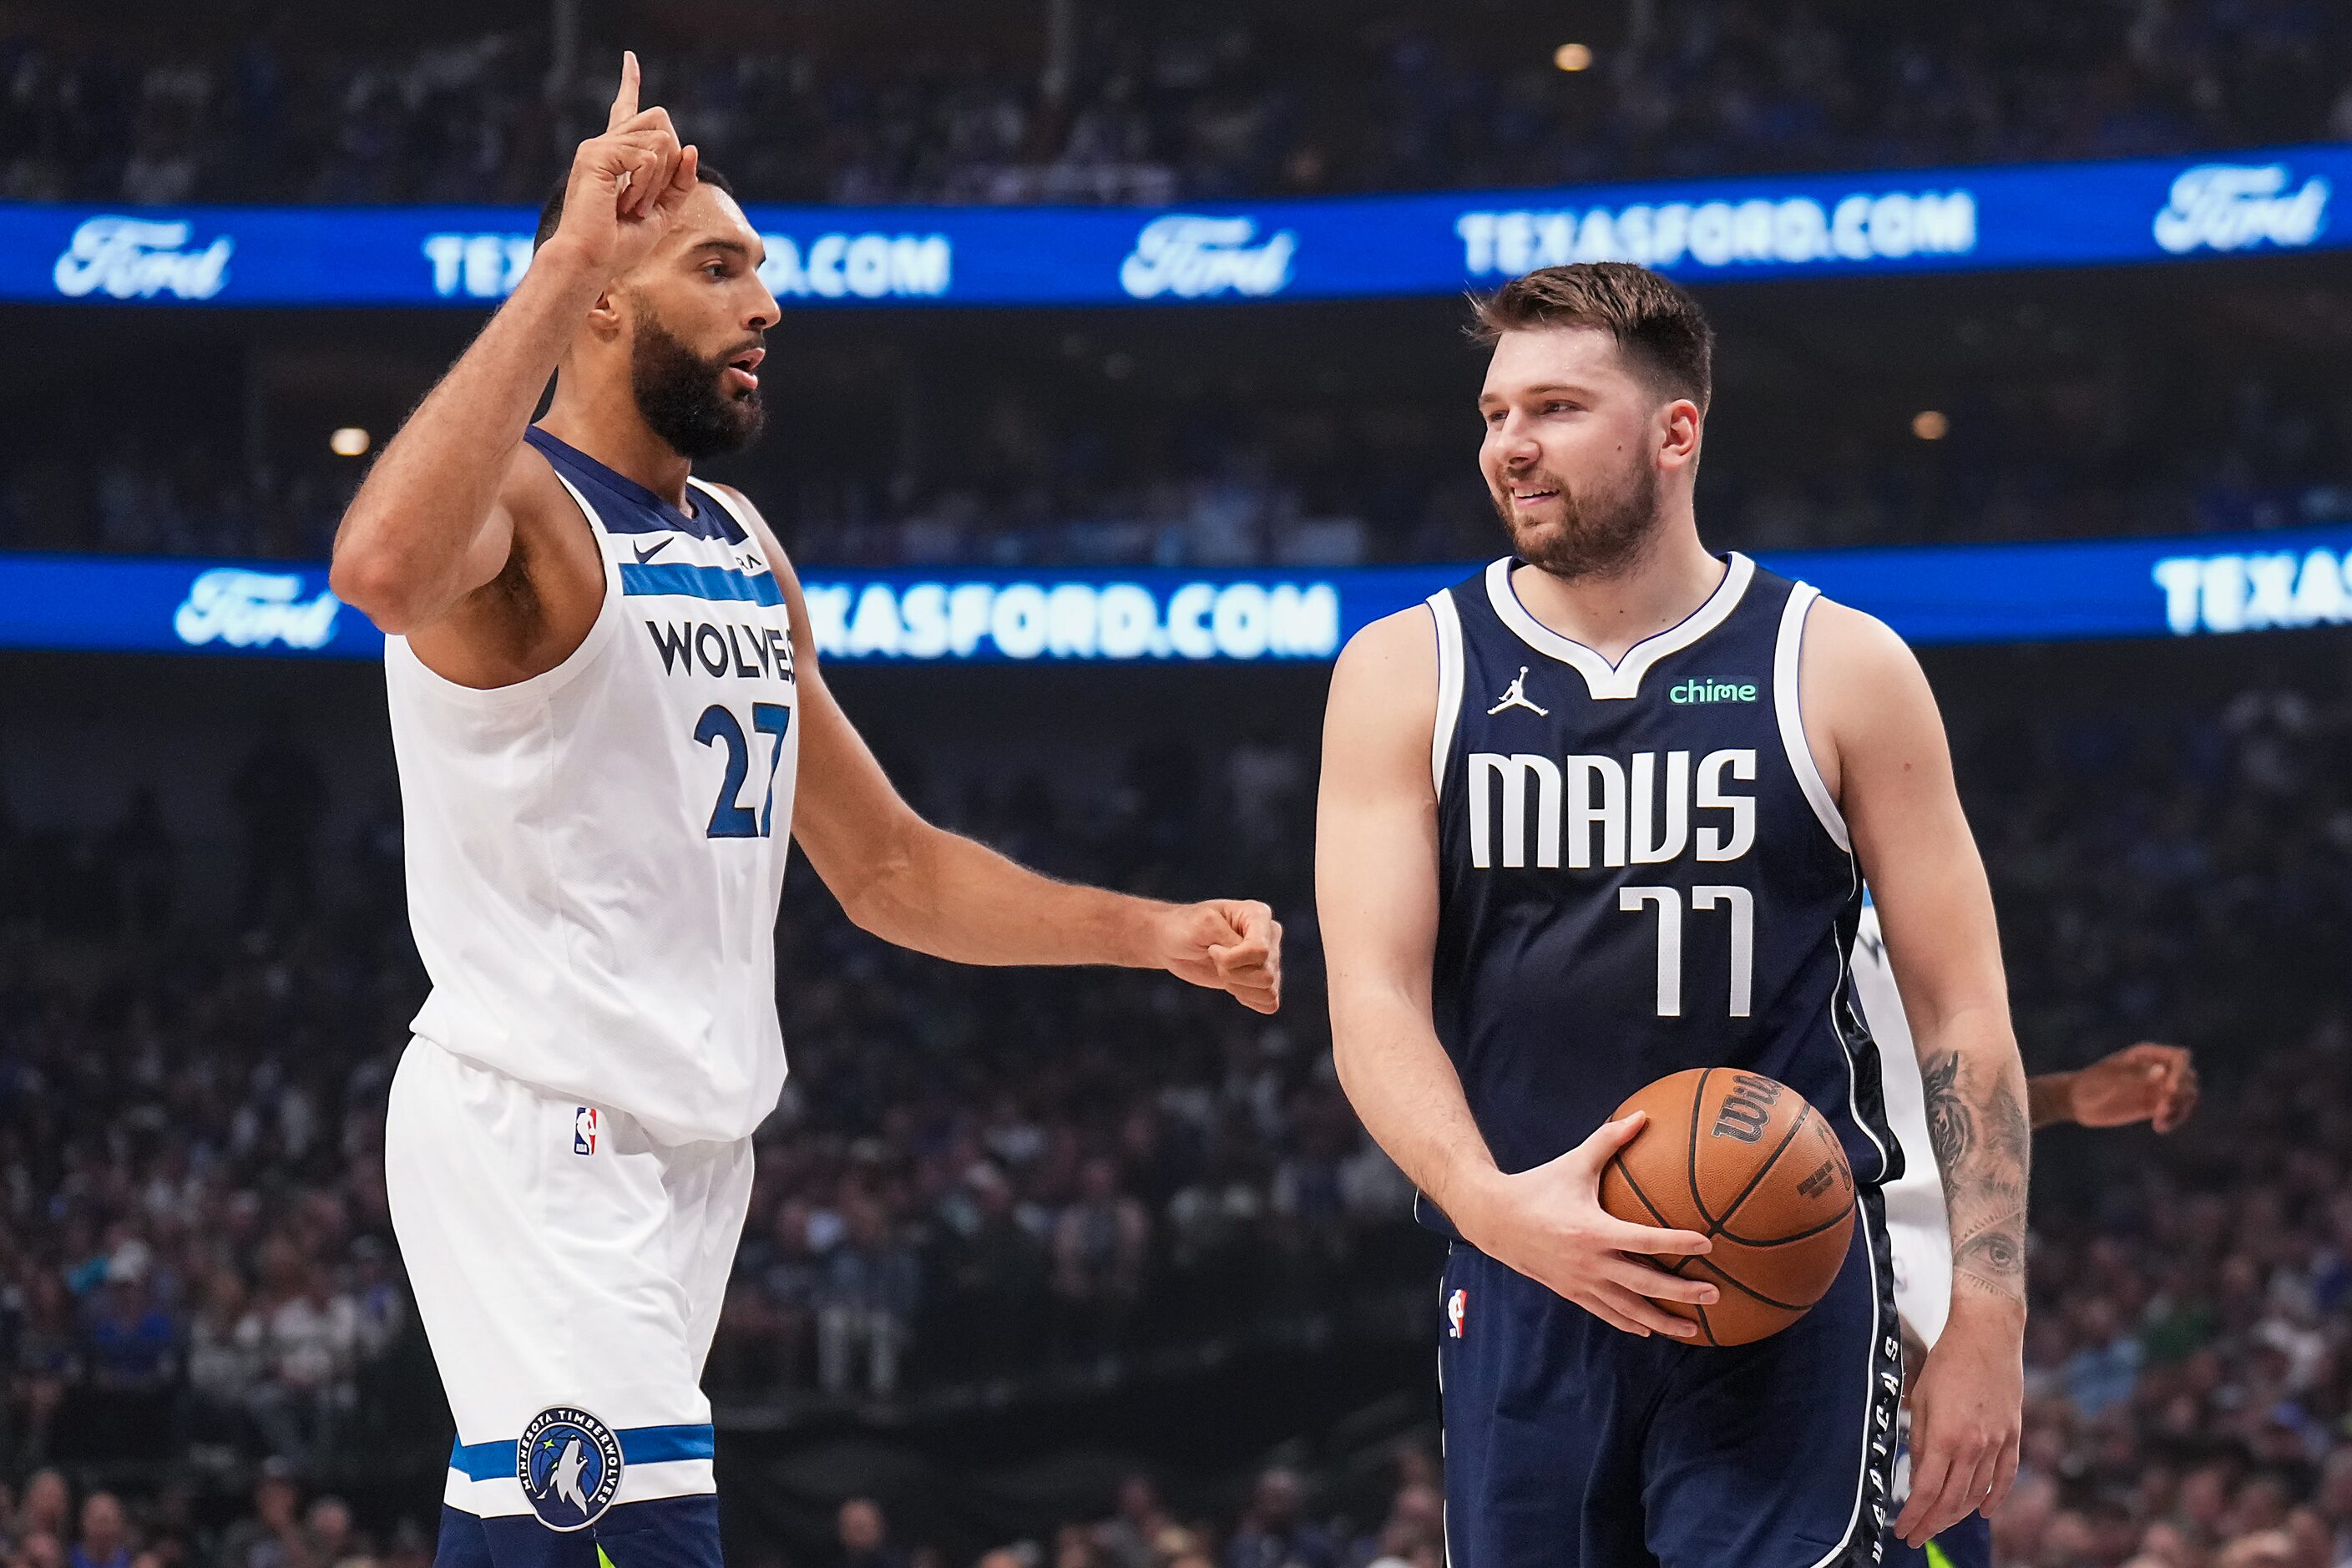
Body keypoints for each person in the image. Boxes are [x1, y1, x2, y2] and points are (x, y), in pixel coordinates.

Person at [329, 51, 1281, 1568]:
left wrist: (1151, 931)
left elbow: (890, 866)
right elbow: (377, 571)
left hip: (696, 1147)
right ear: (599, 303)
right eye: (718, 266)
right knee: (641, 1540)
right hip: (537, 1124)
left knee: (526, 1539)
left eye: (760, 270)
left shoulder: (739, 539)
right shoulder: (522, 515)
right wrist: (566, 244)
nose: (767, 303)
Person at [1316, 260, 2028, 1565]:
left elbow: (1960, 1003)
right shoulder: (1404, 669)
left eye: (1554, 408)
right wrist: (1493, 1204)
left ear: (1674, 431)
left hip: (1787, 1279)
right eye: (1492, 414)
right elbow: (1369, 996)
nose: (1509, 447)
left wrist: (1987, 1309)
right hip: (1524, 1271)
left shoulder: (1840, 664)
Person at [1850, 898, 2198, 1568]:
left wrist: (2063, 1097)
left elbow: (1910, 1125)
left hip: (1922, 1388)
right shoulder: (1753, 871)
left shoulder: (1911, 894)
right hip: (1824, 1349)